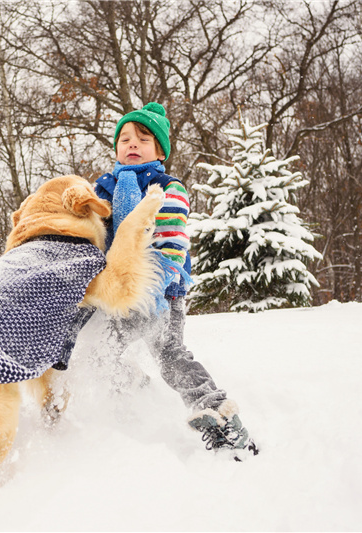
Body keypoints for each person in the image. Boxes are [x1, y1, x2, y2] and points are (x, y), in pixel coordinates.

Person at [81, 102, 259, 459]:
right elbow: (91, 233)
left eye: (143, 139)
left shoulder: (167, 186)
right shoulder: (104, 187)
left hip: (163, 292)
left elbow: (173, 240)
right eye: (125, 139)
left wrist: (159, 282)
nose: (132, 144)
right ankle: (131, 399)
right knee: (100, 352)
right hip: (118, 292)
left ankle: (221, 416)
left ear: (159, 150)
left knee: (170, 354)